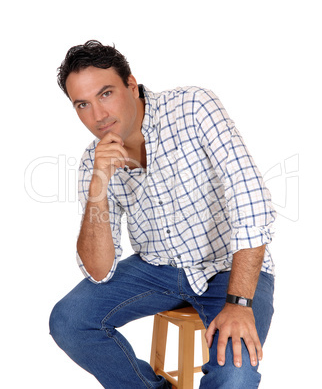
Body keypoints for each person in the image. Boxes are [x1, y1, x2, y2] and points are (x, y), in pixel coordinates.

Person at [49, 40, 276, 388]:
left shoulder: (193, 107)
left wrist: (239, 302)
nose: (98, 115)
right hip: (158, 269)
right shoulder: (92, 162)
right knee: (69, 320)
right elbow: (99, 271)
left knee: (235, 375)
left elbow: (252, 198)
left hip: (228, 266)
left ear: (131, 84)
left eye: (106, 93)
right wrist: (98, 190)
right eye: (83, 104)